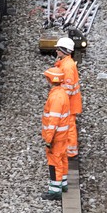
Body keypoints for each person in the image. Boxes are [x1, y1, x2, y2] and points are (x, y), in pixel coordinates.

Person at [42, 66, 70, 200]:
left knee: (55, 162)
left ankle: (55, 191)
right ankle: (63, 184)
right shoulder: (62, 93)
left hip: (56, 137)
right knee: (63, 159)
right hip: (62, 135)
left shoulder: (56, 97)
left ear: (50, 79)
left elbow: (53, 121)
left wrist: (48, 139)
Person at [54, 36, 81, 158]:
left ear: (63, 50)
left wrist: (60, 102)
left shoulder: (68, 66)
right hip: (70, 102)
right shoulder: (65, 63)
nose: (56, 51)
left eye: (58, 49)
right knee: (68, 125)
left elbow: (68, 87)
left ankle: (71, 151)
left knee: (69, 126)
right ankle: (68, 149)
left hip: (69, 103)